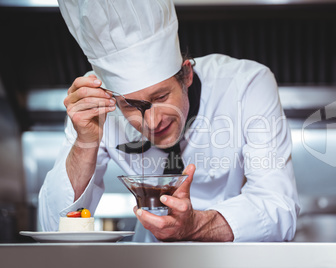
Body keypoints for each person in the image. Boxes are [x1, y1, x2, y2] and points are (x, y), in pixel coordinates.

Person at [38, 0, 300, 242]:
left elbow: (279, 207)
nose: (151, 122)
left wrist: (195, 225)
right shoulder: (94, 103)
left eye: (161, 96)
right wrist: (85, 142)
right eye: (130, 105)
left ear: (186, 74)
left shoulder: (246, 85)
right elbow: (52, 229)